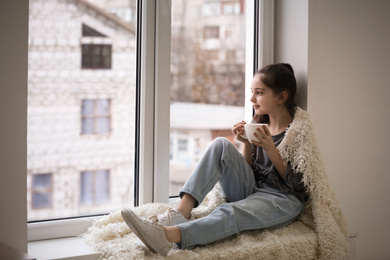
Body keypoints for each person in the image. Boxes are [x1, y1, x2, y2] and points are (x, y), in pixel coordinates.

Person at [121, 63, 309, 256]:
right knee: (220, 144)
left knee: (230, 211)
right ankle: (180, 214)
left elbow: (298, 185)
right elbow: (250, 171)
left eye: (259, 92)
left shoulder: (297, 132)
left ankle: (169, 236)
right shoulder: (259, 123)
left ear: (281, 97)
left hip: (282, 200)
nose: (252, 98)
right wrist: (246, 143)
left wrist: (270, 147)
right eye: (252, 91)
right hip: (254, 189)